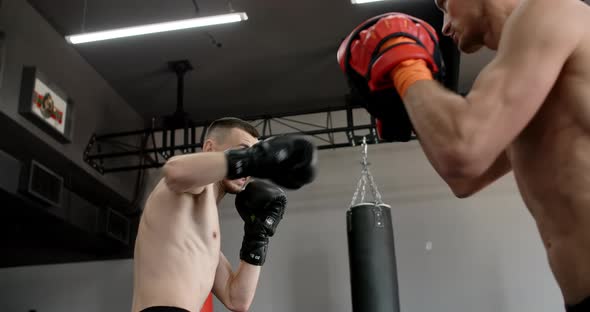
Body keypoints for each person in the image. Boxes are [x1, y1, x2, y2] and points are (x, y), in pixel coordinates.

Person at [337, 0, 590, 310]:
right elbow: (465, 178)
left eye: (444, 5)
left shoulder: (550, 9)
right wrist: (417, 108)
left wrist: (404, 64)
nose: (443, 25)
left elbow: (463, 150)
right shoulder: (519, 76)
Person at [131, 117, 317, 312]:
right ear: (210, 148)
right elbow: (174, 171)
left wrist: (257, 236)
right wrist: (255, 158)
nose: (251, 168)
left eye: (253, 153)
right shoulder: (185, 189)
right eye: (244, 149)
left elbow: (236, 299)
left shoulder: (196, 231)